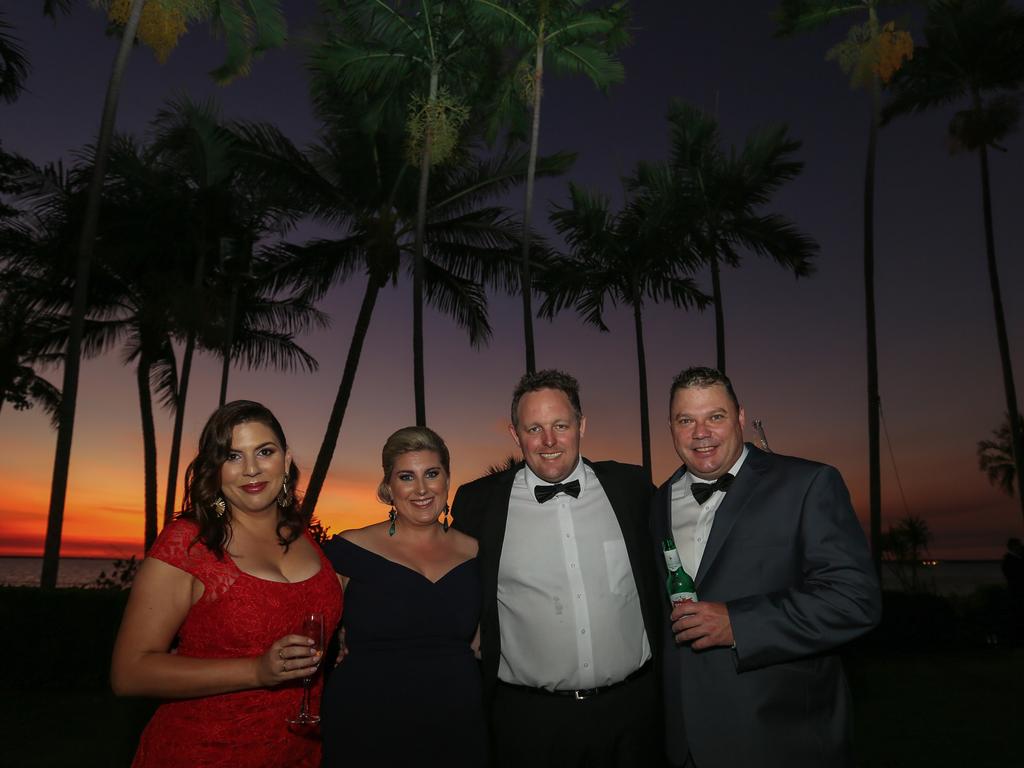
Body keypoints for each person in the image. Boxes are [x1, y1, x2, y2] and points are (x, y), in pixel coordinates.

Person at [651, 367, 881, 768]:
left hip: (780, 737)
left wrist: (739, 624)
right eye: (686, 420)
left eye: (715, 417)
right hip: (685, 743)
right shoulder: (657, 502)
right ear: (670, 426)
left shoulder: (808, 483)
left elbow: (854, 600)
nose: (700, 432)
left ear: (740, 417)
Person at [111, 400, 343, 767]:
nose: (251, 469)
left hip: (298, 752)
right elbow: (129, 673)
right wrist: (256, 671)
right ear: (213, 469)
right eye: (232, 456)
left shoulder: (304, 537)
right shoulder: (188, 543)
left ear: (286, 458)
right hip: (203, 752)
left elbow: (308, 614)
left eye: (264, 452)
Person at [452, 369, 664, 768]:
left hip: (633, 715)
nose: (548, 441)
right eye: (534, 428)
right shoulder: (478, 504)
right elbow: (446, 577)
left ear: (581, 425)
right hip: (530, 723)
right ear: (515, 435)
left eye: (560, 425)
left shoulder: (631, 488)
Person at [320, 426, 485, 767]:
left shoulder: (477, 553)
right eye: (407, 476)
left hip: (458, 725)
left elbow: (484, 640)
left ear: (447, 479)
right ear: (388, 487)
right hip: (367, 726)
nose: (422, 489)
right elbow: (311, 624)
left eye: (432, 474)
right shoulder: (348, 549)